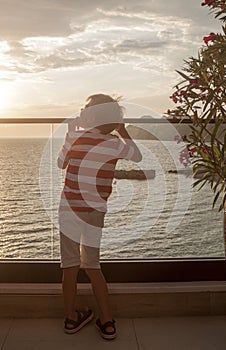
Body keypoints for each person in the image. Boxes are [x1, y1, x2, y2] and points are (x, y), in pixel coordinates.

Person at [57, 93, 142, 340]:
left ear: (90, 116)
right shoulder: (114, 143)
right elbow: (137, 156)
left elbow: (61, 163)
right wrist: (123, 132)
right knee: (92, 265)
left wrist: (69, 134)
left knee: (70, 267)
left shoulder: (75, 136)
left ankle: (71, 318)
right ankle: (107, 321)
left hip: (69, 208)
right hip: (94, 211)